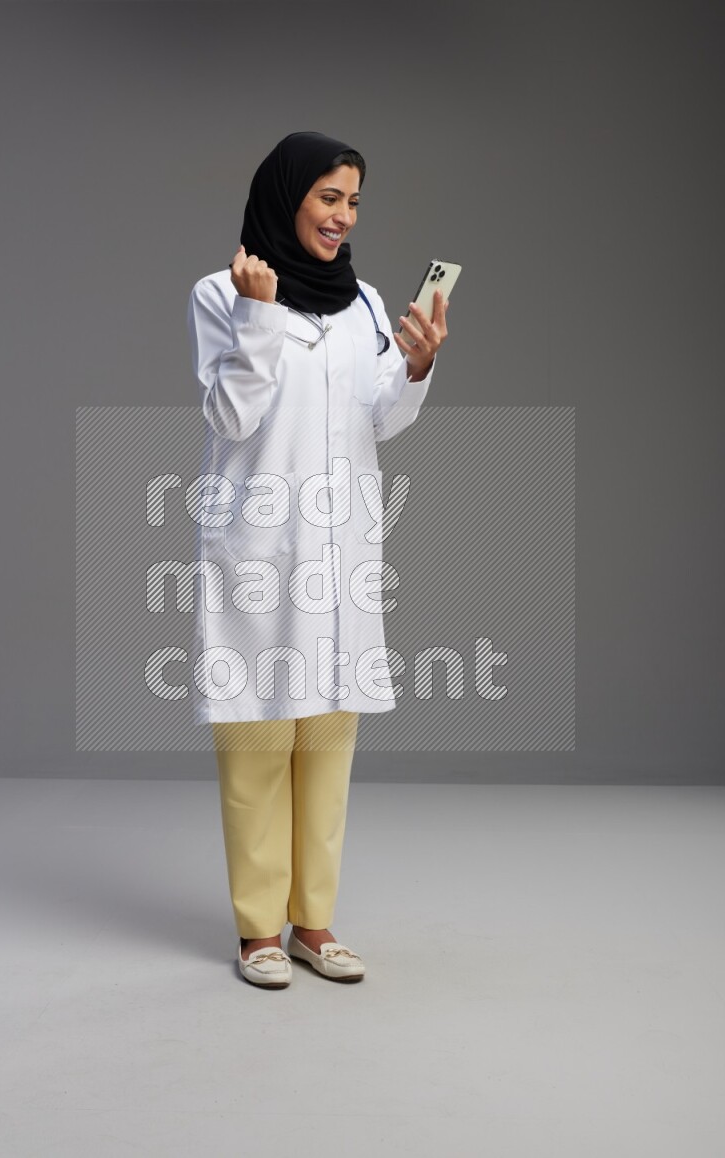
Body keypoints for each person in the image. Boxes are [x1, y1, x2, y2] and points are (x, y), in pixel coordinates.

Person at [186, 131, 448, 988]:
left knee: (329, 741)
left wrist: (413, 365)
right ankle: (259, 929)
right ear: (287, 195)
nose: (343, 217)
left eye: (355, 202)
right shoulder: (220, 294)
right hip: (262, 548)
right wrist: (260, 317)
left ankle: (314, 922)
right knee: (259, 740)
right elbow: (228, 418)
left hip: (340, 548)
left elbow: (379, 419)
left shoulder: (366, 303)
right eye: (330, 197)